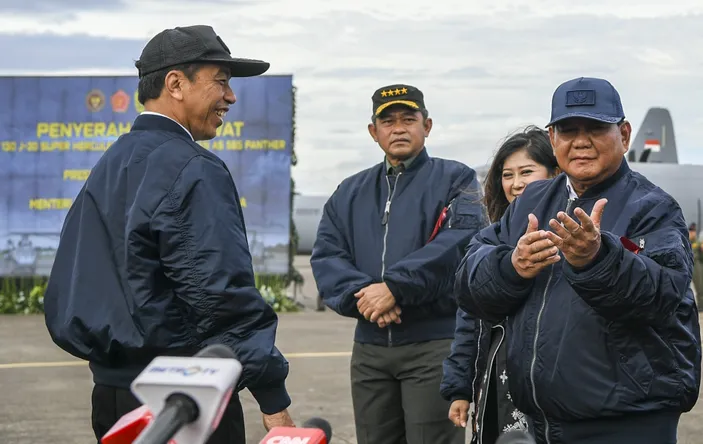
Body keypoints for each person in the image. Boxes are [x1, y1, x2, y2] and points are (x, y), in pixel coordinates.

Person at [43, 25, 294, 444]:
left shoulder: (111, 163)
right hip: (183, 403)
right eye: (222, 82)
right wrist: (274, 400)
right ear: (176, 83)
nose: (230, 97)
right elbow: (220, 295)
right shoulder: (193, 167)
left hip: (111, 399)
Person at [454, 76, 701, 444]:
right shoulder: (530, 203)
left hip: (628, 424)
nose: (581, 141)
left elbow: (663, 295)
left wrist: (598, 259)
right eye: (568, 130)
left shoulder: (654, 208)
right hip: (544, 426)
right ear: (552, 139)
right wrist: (512, 267)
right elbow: (468, 282)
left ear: (625, 134)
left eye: (596, 128)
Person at [310, 84, 487, 444]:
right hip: (370, 350)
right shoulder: (349, 191)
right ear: (374, 132)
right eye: (388, 121)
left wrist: (395, 288)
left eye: (409, 118)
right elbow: (328, 255)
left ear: (428, 125)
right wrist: (365, 296)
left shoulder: (457, 179)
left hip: (433, 345)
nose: (399, 128)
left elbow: (460, 244)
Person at [440, 125, 559, 443]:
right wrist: (459, 387)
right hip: (497, 378)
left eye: (527, 172)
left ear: (555, 173)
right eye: (508, 175)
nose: (516, 184)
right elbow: (469, 318)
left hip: (552, 386)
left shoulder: (573, 239)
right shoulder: (488, 241)